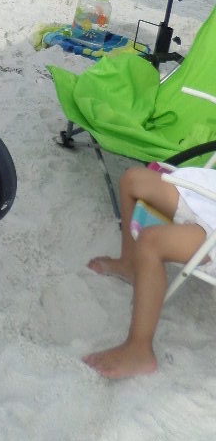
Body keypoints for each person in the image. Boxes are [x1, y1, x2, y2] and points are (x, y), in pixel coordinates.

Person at [84, 162, 216, 379]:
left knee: (151, 242)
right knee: (132, 180)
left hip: (212, 233)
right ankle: (129, 265)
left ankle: (139, 349)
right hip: (207, 198)